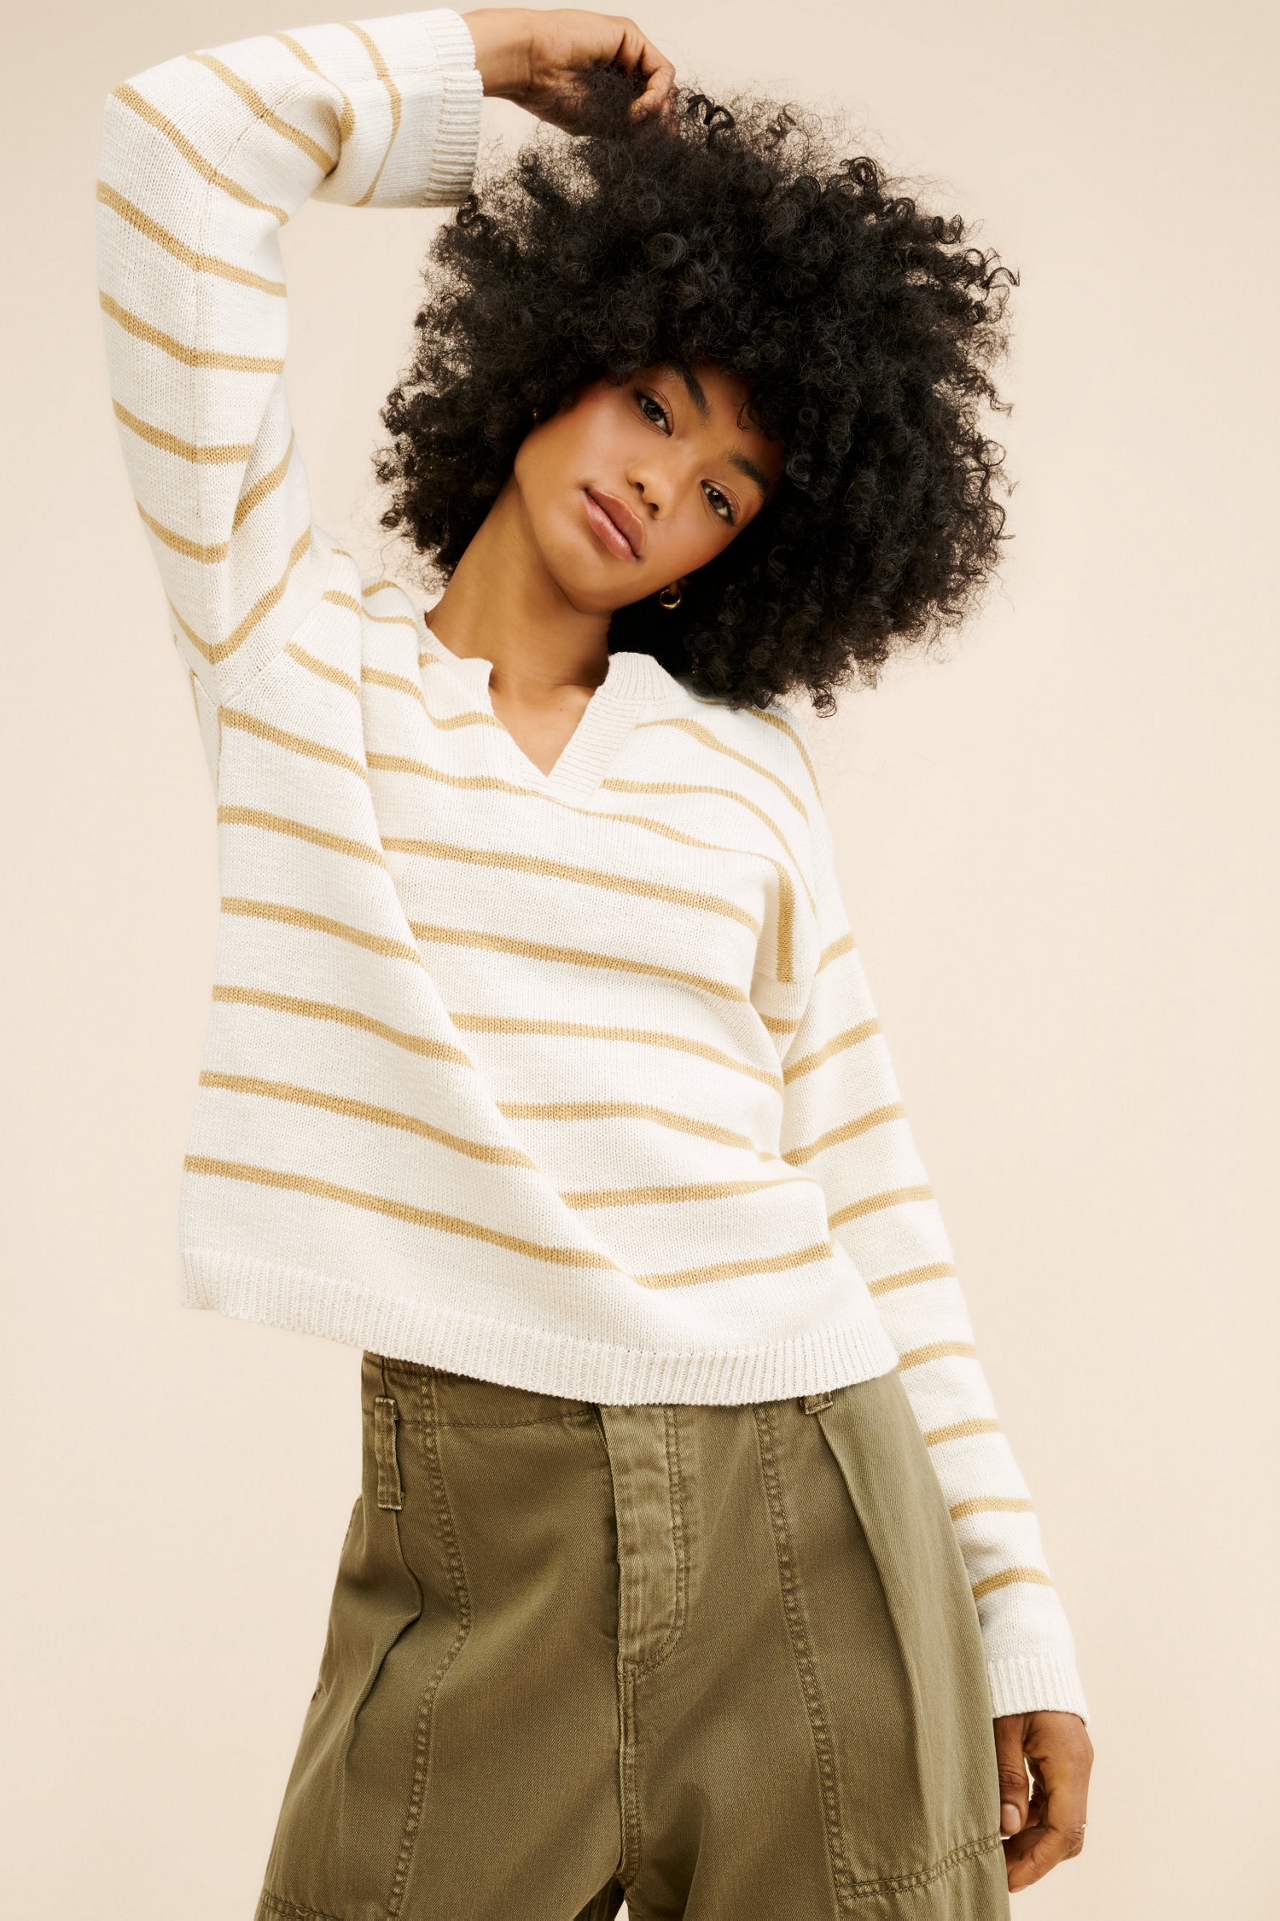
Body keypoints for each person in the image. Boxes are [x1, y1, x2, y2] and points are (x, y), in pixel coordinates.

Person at [96, 8, 1093, 1916]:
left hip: (817, 1501)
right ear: (556, 349)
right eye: (654, 401)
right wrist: (496, 66)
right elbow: (174, 148)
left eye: (726, 488)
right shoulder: (294, 661)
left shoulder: (744, 774)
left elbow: (869, 1189)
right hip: (482, 1512)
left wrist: (1017, 1609)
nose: (662, 485)